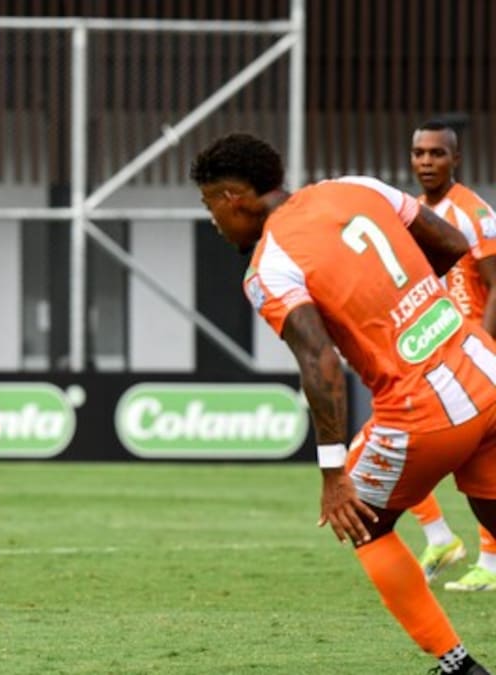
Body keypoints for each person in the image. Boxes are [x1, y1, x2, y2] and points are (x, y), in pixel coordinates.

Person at [191, 132, 495, 675]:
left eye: (210, 204)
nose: (213, 220)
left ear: (234, 196)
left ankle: (458, 667)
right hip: (483, 367)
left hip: (423, 409)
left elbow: (321, 364)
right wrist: (409, 301)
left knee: (366, 524)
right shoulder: (356, 186)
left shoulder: (269, 266)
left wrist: (333, 475)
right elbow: (451, 246)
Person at [404, 120, 496, 591]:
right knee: (403, 442)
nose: (425, 161)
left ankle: (485, 562)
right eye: (419, 152)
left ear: (455, 159)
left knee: (480, 460)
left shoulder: (474, 213)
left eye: (436, 153)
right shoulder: (417, 212)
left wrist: (482, 344)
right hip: (435, 353)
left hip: (473, 357)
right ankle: (441, 537)